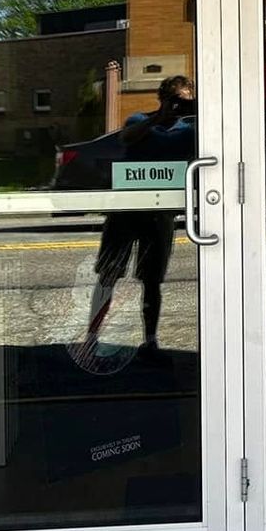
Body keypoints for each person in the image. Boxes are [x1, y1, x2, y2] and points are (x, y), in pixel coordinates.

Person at [71, 76, 196, 375]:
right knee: (109, 274)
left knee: (152, 280)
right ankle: (92, 337)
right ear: (162, 98)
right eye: (175, 100)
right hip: (125, 212)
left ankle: (150, 341)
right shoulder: (140, 120)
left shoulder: (189, 130)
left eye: (185, 101)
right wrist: (158, 118)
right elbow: (126, 138)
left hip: (160, 216)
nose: (179, 107)